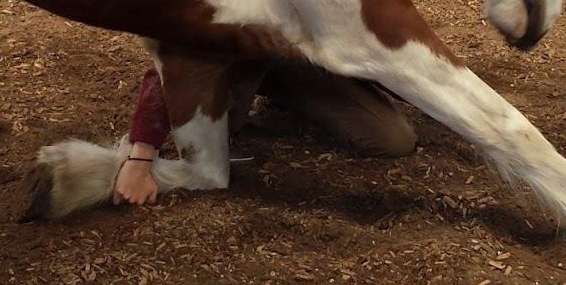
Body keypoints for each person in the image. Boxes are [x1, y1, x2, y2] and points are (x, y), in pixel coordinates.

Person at [112, 61, 417, 206]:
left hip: (305, 60)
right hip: (240, 56)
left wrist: (445, 97)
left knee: (393, 139)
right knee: (209, 135)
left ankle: (291, 97)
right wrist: (140, 159)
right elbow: (173, 58)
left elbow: (380, 41)